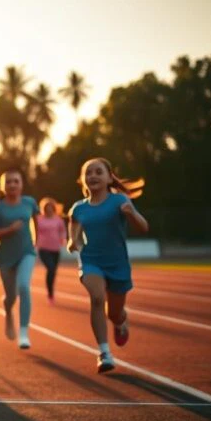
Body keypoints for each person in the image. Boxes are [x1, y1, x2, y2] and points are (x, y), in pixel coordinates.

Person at [67, 158, 148, 373]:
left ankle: (121, 320)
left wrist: (131, 214)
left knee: (114, 313)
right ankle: (104, 353)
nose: (93, 176)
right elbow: (74, 228)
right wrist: (72, 240)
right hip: (91, 260)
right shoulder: (78, 208)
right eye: (88, 173)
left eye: (98, 172)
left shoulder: (119, 201)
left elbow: (144, 227)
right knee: (96, 298)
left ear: (109, 177)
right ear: (83, 180)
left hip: (117, 264)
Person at [0, 169, 40, 349]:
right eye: (8, 182)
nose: (12, 185)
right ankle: (8, 310)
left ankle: (23, 333)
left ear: (21, 184)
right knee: (11, 296)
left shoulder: (29, 202)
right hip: (6, 257)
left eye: (16, 181)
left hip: (27, 253)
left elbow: (37, 221)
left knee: (24, 286)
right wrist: (9, 230)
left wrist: (36, 242)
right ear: (3, 187)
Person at [36, 197, 68, 304]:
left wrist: (63, 239)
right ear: (43, 209)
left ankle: (51, 292)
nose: (49, 209)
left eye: (51, 207)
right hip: (43, 248)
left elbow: (63, 231)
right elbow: (34, 232)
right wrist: (35, 241)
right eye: (46, 207)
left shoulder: (58, 219)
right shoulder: (38, 219)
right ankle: (50, 294)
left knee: (53, 272)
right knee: (51, 268)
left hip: (55, 248)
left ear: (54, 208)